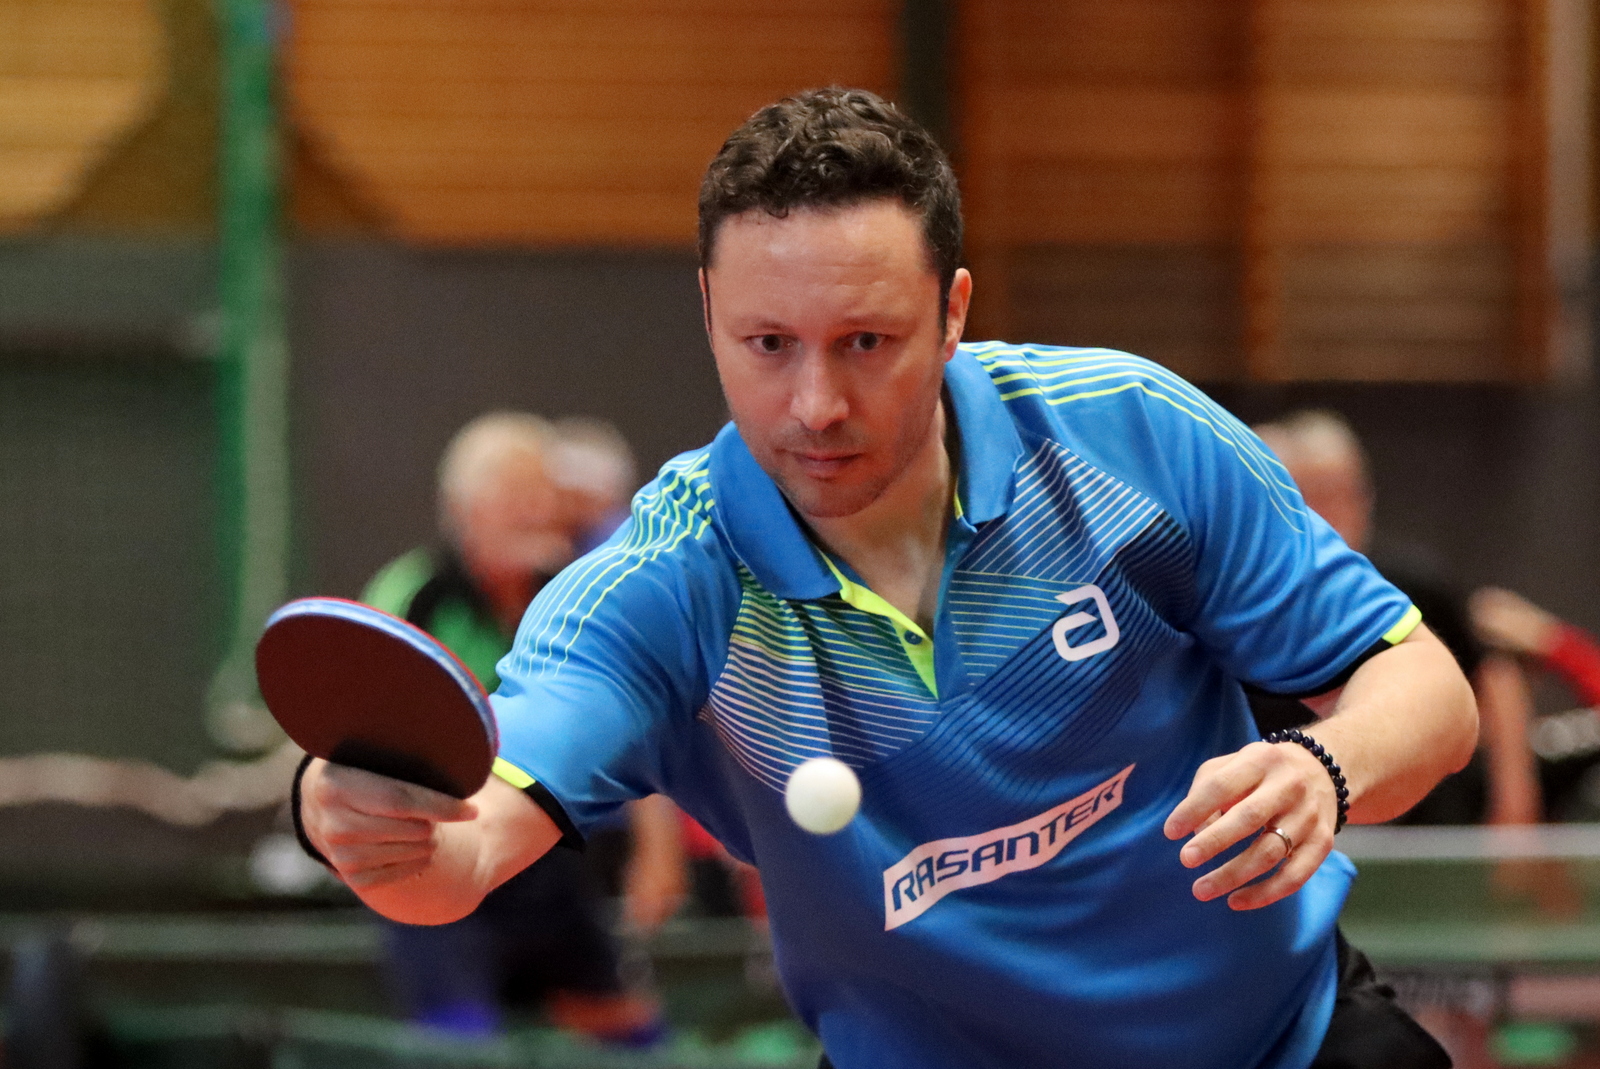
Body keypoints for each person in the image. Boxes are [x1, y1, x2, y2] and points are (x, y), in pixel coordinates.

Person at [300, 88, 1476, 1068]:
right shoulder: (667, 583)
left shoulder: (1127, 437)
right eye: (767, 345)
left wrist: (1326, 766)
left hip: (1281, 1042)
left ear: (951, 310)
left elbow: (1425, 691)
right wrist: (371, 827)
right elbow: (466, 851)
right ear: (708, 309)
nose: (815, 404)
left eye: (865, 341)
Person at [358, 411, 682, 1042]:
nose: (534, 512)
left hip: (541, 855)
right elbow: (368, 733)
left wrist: (658, 852)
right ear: (464, 510)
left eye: (542, 493)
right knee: (460, 1042)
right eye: (513, 495)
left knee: (632, 1034)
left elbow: (633, 721)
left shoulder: (578, 594)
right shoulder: (414, 597)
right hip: (434, 858)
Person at [1253, 411, 1541, 827]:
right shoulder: (1250, 595)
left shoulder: (1414, 584)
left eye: (1346, 494)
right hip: (1288, 827)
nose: (1332, 510)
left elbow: (1493, 677)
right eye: (1313, 494)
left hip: (1420, 829)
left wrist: (1515, 804)